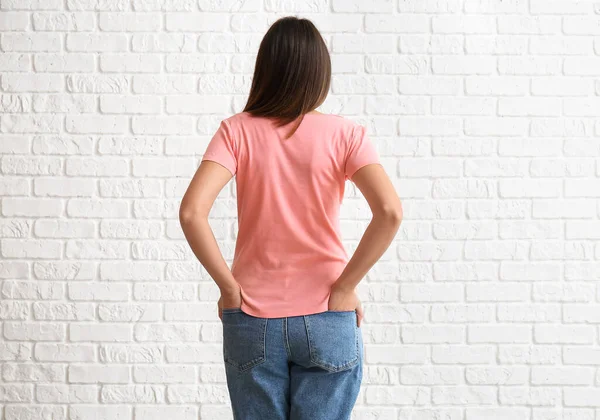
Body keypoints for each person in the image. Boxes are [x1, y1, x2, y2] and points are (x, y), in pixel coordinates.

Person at [179, 16, 402, 420]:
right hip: (327, 312)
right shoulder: (346, 135)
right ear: (320, 73)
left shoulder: (236, 132)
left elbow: (193, 212)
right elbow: (389, 212)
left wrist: (229, 288)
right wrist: (347, 286)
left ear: (265, 68)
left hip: (251, 315)